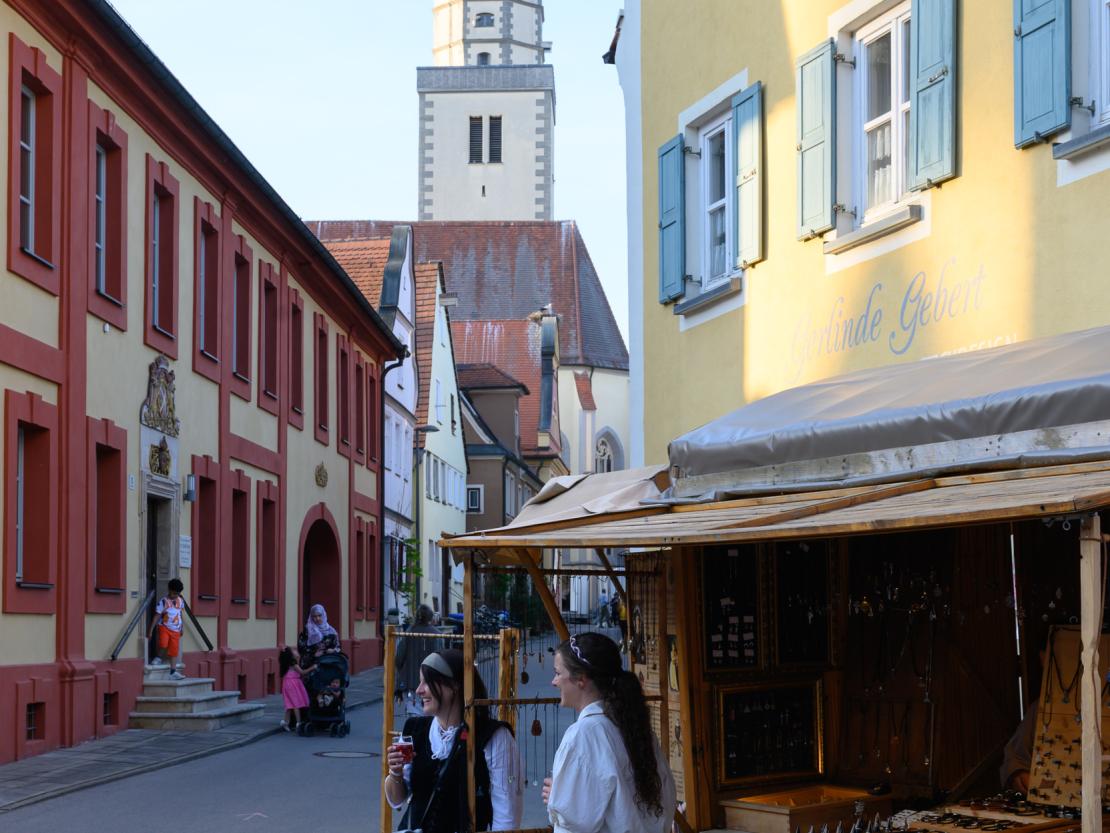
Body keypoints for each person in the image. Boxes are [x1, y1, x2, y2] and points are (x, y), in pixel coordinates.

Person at [543, 631, 676, 833]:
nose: (554, 682)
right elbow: (665, 797)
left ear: (581, 679)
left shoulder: (584, 734)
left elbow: (576, 821)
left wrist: (560, 798)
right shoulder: (635, 726)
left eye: (558, 673)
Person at [384, 649, 523, 833]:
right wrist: (395, 773)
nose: (419, 690)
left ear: (453, 686)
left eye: (427, 682)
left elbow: (507, 815)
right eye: (420, 682)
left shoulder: (494, 737)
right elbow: (396, 800)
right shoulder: (414, 730)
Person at [395, 604, 440, 717]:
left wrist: (402, 671)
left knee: (413, 717)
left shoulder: (409, 633)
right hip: (432, 683)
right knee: (431, 718)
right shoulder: (437, 634)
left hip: (411, 682)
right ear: (430, 617)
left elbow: (399, 658)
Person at [147, 578, 189, 680]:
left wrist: (181, 627)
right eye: (174, 593)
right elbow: (157, 616)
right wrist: (151, 629)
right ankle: (158, 657)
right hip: (164, 627)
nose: (175, 596)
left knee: (174, 650)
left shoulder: (180, 601)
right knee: (163, 644)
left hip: (176, 630)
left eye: (177, 594)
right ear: (169, 590)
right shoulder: (163, 601)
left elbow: (180, 614)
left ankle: (173, 672)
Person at [279, 646, 315, 732]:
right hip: (293, 683)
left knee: (289, 704)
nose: (296, 651)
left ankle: (285, 722)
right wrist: (313, 667)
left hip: (287, 683)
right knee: (296, 703)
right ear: (291, 655)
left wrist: (298, 657)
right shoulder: (293, 663)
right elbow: (302, 672)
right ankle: (298, 723)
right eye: (294, 651)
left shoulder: (286, 662)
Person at [298, 604, 341, 668]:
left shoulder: (331, 631)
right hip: (311, 664)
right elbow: (301, 647)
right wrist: (313, 653)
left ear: (323, 615)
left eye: (319, 615)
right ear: (311, 617)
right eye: (314, 616)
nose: (317, 618)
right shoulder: (308, 629)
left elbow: (338, 647)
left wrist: (333, 650)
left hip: (328, 664)